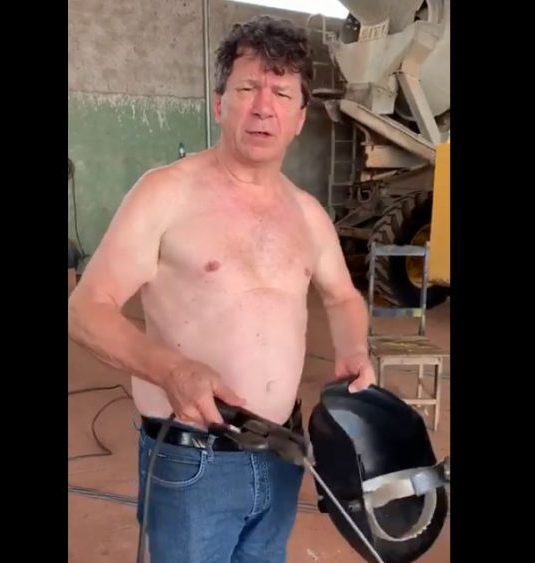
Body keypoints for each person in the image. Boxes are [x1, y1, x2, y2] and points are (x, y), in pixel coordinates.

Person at [68, 14, 376, 563]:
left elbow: (343, 296)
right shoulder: (165, 193)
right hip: (194, 460)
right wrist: (169, 369)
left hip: (283, 451)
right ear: (219, 104)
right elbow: (86, 309)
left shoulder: (307, 213)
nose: (263, 107)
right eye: (247, 88)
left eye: (282, 93)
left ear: (300, 117)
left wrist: (353, 348)